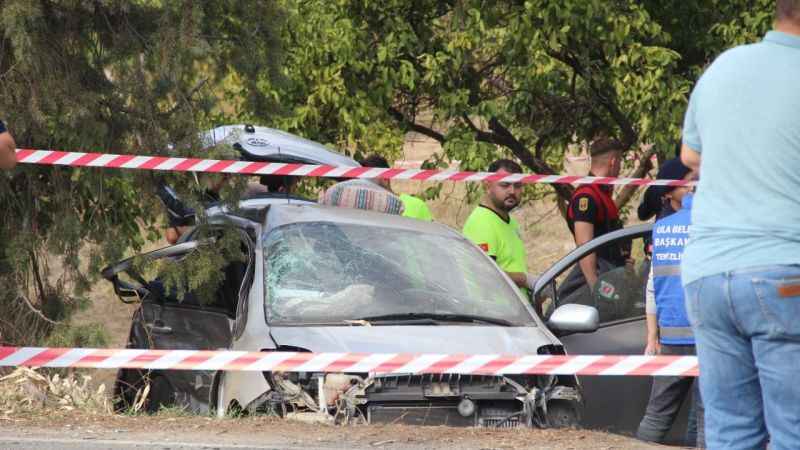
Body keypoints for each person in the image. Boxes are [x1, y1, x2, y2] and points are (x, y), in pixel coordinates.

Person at [680, 3, 800, 448]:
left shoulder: (723, 67)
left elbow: (690, 156)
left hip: (708, 274)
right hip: (784, 270)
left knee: (731, 431)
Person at [637, 175, 704, 448]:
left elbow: (653, 285)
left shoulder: (662, 228)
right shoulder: (710, 227)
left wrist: (653, 337)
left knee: (656, 416)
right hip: (706, 335)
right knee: (706, 418)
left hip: (672, 338)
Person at [462, 159, 535, 296]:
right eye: (505, 185)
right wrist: (525, 280)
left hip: (515, 310)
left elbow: (510, 265)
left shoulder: (510, 221)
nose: (512, 191)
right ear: (487, 186)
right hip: (493, 313)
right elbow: (485, 274)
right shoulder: (481, 222)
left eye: (518, 185)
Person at [358, 154, 433, 221]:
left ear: (385, 179)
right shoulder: (362, 212)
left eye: (369, 181)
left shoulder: (416, 206)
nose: (365, 187)